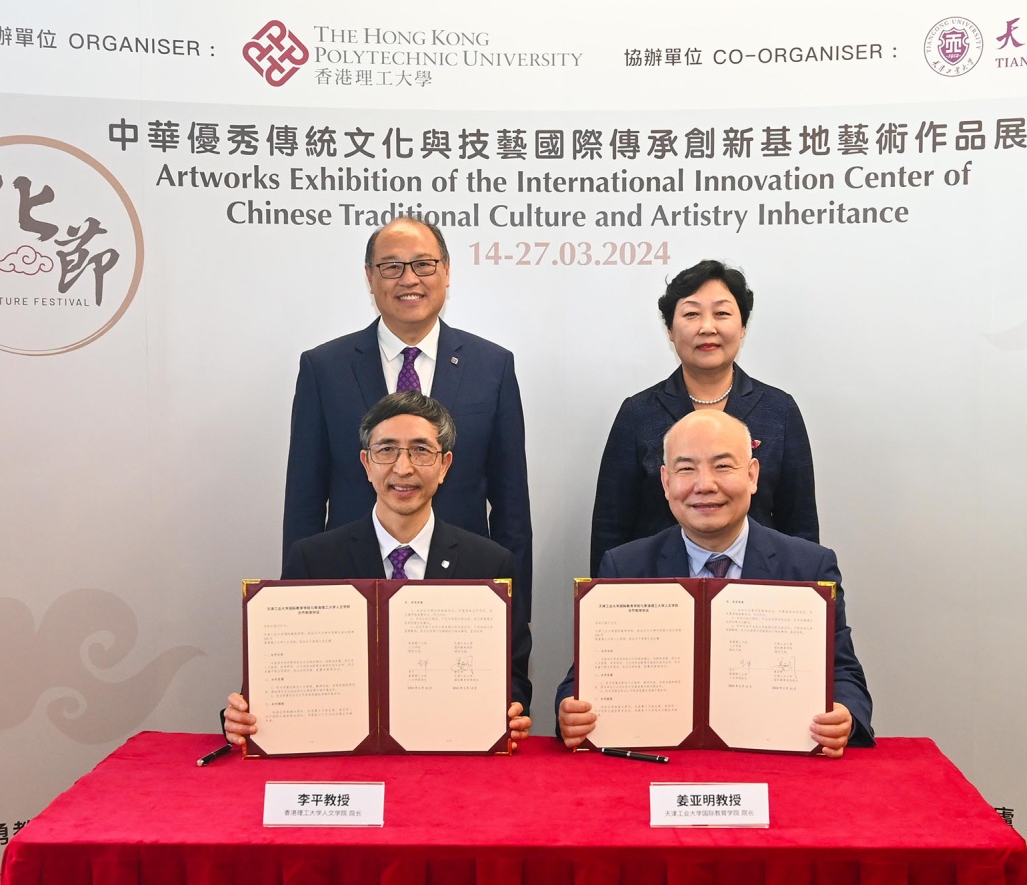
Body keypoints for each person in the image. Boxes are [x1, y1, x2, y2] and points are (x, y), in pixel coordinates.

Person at [559, 411, 871, 755]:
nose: (704, 484)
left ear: (752, 475)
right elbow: (585, 676)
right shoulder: (626, 566)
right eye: (686, 468)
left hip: (773, 760)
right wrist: (570, 712)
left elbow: (843, 673)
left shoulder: (808, 566)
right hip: (660, 763)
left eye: (723, 466)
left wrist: (845, 715)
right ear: (665, 482)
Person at [229, 392, 532, 746]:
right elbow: (280, 672)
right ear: (366, 463)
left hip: (450, 753)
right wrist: (243, 715)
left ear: (445, 465)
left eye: (421, 450)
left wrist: (510, 709)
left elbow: (513, 676)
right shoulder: (314, 561)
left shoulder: (489, 564)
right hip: (341, 757)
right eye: (386, 450)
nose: (403, 468)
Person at [283, 217, 534, 611]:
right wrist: (299, 604)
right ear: (370, 276)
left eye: (423, 264)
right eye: (391, 266)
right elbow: (304, 500)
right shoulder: (325, 368)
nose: (409, 279)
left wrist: (515, 610)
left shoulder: (492, 366)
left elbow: (511, 503)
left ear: (446, 271)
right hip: (350, 587)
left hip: (463, 587)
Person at [587, 259, 818, 575]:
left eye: (722, 313)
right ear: (670, 330)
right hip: (657, 597)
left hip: (759, 598)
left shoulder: (779, 410)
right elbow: (610, 529)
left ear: (743, 327)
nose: (707, 327)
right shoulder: (638, 413)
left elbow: (800, 527)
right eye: (691, 314)